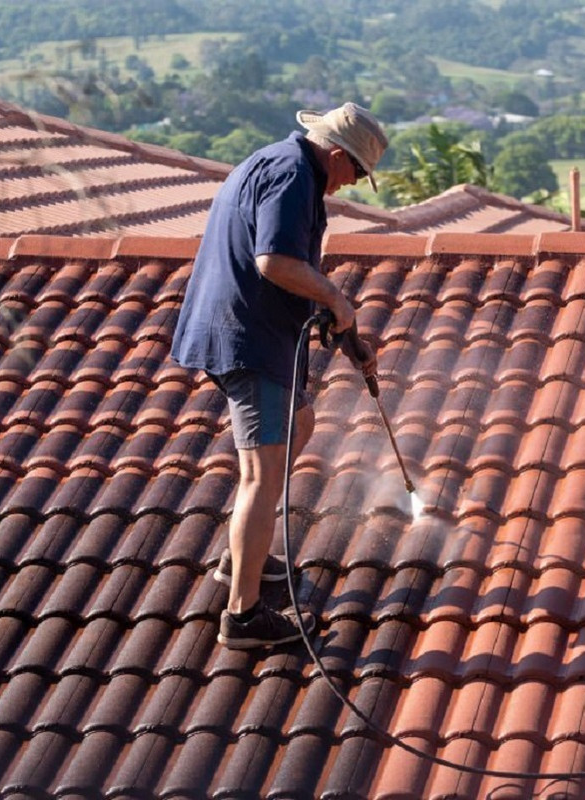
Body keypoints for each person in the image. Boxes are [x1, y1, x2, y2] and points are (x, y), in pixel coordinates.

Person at [171, 103, 388, 649]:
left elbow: (288, 266)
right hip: (247, 338)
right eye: (356, 173)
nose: (353, 184)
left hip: (242, 329)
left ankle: (248, 551)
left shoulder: (278, 162)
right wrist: (336, 296)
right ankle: (242, 616)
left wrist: (345, 333)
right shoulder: (294, 176)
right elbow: (275, 262)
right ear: (338, 155)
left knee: (301, 421)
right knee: (262, 478)